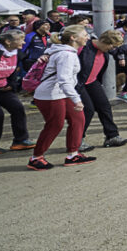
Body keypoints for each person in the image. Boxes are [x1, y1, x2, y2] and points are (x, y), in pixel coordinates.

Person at [28, 25, 95, 170]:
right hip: (50, 95)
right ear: (73, 37)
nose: (88, 37)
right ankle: (36, 157)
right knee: (55, 125)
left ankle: (73, 154)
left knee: (78, 119)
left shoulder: (66, 51)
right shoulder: (67, 54)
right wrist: (76, 99)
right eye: (84, 34)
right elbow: (64, 79)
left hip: (61, 93)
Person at [75, 29, 127, 149]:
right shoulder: (84, 48)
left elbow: (120, 51)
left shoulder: (105, 49)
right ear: (104, 42)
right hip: (78, 83)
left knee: (104, 106)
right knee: (88, 110)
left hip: (92, 82)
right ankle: (77, 140)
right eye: (111, 46)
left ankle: (112, 136)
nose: (112, 49)